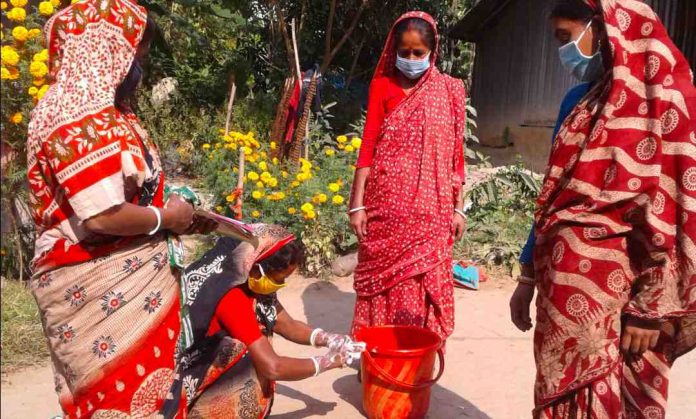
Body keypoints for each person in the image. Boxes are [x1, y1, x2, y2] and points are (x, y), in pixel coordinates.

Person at [26, 1, 214, 417]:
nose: (137, 69)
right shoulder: (78, 117)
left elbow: (130, 194)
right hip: (95, 278)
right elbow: (101, 215)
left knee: (141, 393)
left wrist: (178, 217)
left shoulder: (106, 114)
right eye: (137, 56)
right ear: (109, 50)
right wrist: (168, 218)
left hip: (125, 276)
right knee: (116, 399)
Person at [509, 0, 696, 417]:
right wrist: (527, 275)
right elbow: (552, 196)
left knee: (615, 395)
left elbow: (677, 208)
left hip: (624, 297)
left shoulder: (665, 105)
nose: (563, 53)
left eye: (565, 38)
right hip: (562, 291)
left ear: (606, 28)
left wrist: (651, 309)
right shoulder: (576, 103)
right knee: (560, 396)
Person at [348, 11, 467, 342]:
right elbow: (368, 146)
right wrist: (357, 205)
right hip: (385, 208)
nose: (411, 59)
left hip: (432, 214)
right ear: (393, 50)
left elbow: (457, 155)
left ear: (432, 51)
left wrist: (460, 208)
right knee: (380, 284)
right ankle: (375, 354)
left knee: (421, 281)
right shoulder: (382, 86)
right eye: (405, 52)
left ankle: (416, 353)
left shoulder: (449, 91)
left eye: (418, 53)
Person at [162, 225, 357, 418]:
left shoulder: (253, 286)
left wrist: (329, 338)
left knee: (258, 345)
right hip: (196, 381)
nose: (278, 286)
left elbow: (288, 325)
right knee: (255, 355)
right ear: (255, 268)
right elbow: (273, 367)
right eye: (278, 279)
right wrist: (329, 362)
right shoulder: (231, 298)